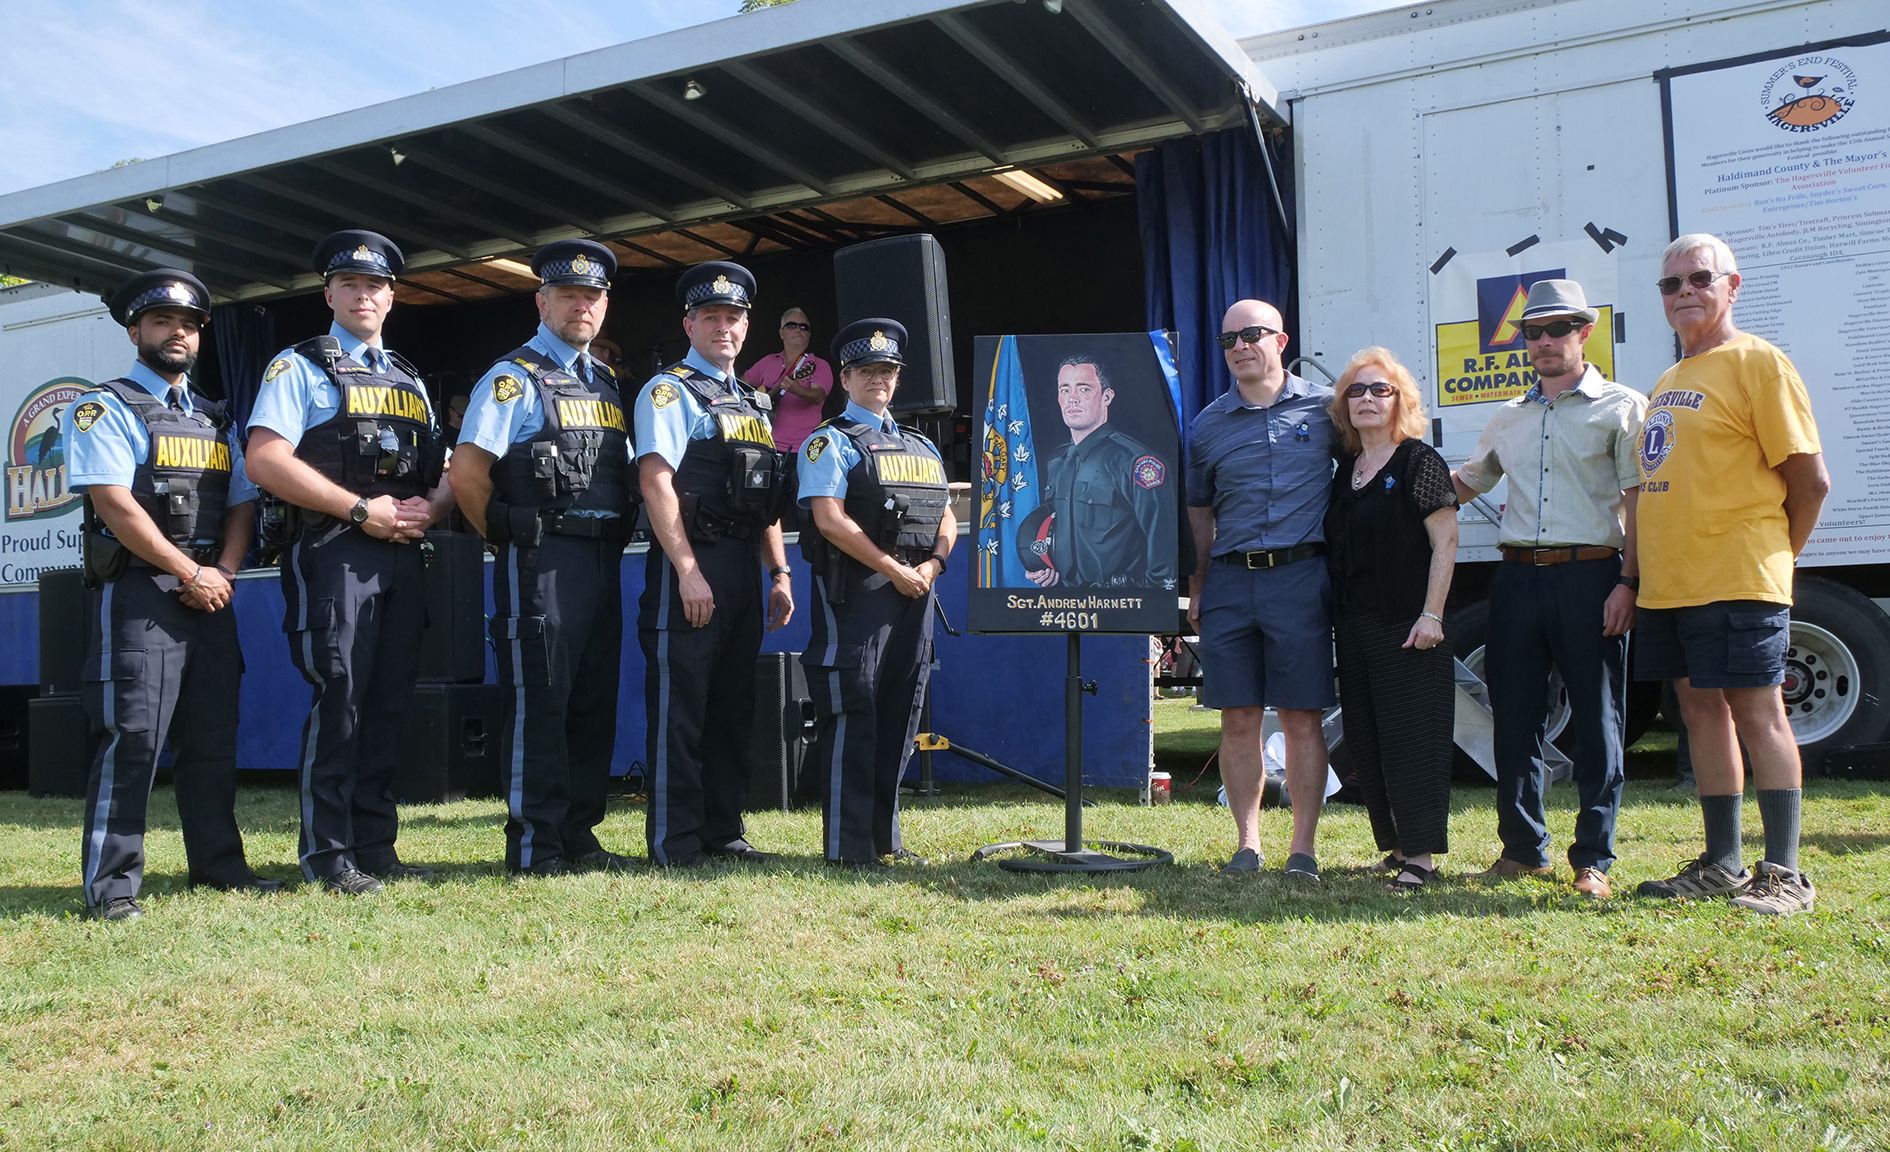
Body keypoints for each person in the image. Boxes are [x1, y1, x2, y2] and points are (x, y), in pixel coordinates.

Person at [245, 230, 454, 895]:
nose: (364, 296)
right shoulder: (298, 367)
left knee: (387, 703)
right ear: (329, 293)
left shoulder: (411, 377)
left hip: (402, 556)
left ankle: (375, 846)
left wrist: (433, 509)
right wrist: (361, 511)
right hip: (336, 553)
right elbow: (265, 461)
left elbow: (443, 467)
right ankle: (328, 857)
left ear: (392, 297)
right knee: (341, 699)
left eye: (376, 286)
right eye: (351, 285)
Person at [64, 269, 277, 920]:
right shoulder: (105, 405)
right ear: (136, 331)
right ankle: (112, 888)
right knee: (132, 741)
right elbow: (117, 507)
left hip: (211, 595)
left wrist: (225, 573)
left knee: (213, 742)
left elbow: (242, 505)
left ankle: (218, 867)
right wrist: (191, 572)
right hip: (144, 596)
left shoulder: (218, 419)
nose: (177, 333)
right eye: (162, 322)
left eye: (188, 325)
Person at [1634, 233, 1828, 915]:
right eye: (1670, 283)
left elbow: (1809, 482)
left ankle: (1786, 874)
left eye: (1699, 278)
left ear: (1732, 285)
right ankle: (1722, 864)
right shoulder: (1670, 380)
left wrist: (1775, 557)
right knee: (1699, 714)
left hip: (1739, 574)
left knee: (1757, 711)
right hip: (1673, 584)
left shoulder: (1759, 363)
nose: (1684, 291)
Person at [1452, 279, 1647, 900]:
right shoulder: (1507, 415)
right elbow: (1467, 483)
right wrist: (1387, 479)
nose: (1543, 341)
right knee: (1514, 718)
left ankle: (1594, 858)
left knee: (1597, 718)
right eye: (1533, 332)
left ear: (1584, 333)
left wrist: (1628, 582)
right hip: (1516, 578)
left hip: (1593, 576)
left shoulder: (1621, 406)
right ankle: (1522, 848)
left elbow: (1639, 503)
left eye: (1557, 329)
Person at [449, 240, 636, 877]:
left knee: (590, 697)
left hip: (601, 557)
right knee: (541, 699)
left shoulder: (606, 382)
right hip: (541, 557)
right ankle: (536, 843)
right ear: (542, 302)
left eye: (593, 298)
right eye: (569, 296)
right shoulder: (513, 378)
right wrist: (500, 534)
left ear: (604, 307)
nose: (582, 307)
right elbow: (469, 470)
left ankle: (580, 835)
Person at [634, 260, 795, 867]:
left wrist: (778, 573)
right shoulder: (670, 390)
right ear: (689, 324)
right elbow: (656, 480)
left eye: (733, 318)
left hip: (742, 569)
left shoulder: (753, 400)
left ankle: (723, 830)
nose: (723, 328)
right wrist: (686, 570)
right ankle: (674, 842)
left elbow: (765, 495)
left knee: (732, 705)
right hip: (692, 565)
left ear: (746, 327)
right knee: (683, 707)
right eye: (711, 318)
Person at [796, 319, 955, 869]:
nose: (878, 380)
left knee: (901, 713)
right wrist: (892, 568)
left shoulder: (920, 445)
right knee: (853, 710)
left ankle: (885, 839)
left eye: (887, 372)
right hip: (858, 593)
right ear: (845, 377)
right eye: (867, 372)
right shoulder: (830, 442)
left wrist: (932, 565)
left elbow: (948, 517)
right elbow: (830, 520)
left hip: (916, 591)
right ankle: (848, 846)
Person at [1186, 299, 1336, 882]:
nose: (1240, 347)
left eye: (1252, 334)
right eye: (1228, 340)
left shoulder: (1329, 411)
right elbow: (1200, 512)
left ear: (1280, 340)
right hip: (1229, 579)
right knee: (1238, 717)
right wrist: (1199, 585)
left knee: (1302, 716)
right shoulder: (1206, 425)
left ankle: (1303, 849)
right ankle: (1247, 844)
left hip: (1301, 578)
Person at [1325, 348, 1459, 890]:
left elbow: (1446, 541)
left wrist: (1433, 614)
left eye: (1380, 390)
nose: (1367, 400)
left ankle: (1422, 856)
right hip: (1354, 626)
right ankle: (1398, 846)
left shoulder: (1418, 460)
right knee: (1368, 738)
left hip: (1408, 625)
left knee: (1412, 738)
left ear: (1400, 400)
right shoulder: (1346, 470)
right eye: (1356, 391)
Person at [1027, 355, 1176, 590]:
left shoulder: (1137, 462)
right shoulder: (1057, 462)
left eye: (1084, 389)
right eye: (1064, 389)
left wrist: (1150, 603)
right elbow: (1053, 529)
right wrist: (1045, 566)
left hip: (1120, 607)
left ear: (1107, 396)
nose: (1072, 399)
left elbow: (1164, 555)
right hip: (1064, 606)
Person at [743, 307, 833, 453]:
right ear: (781, 333)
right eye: (792, 325)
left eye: (804, 327)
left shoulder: (818, 365)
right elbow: (740, 384)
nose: (798, 330)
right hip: (764, 445)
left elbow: (818, 396)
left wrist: (799, 390)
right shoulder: (767, 361)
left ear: (809, 335)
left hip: (803, 448)